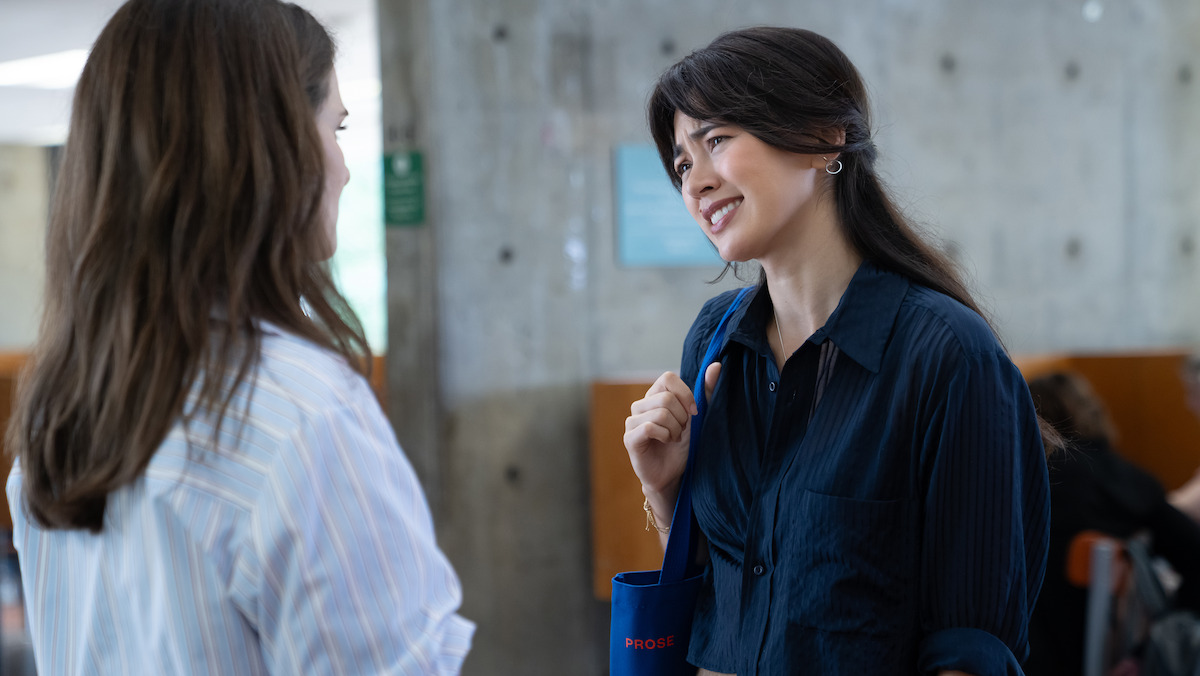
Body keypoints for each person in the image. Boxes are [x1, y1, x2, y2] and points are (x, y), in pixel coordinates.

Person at [3, 1, 473, 674]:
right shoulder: (304, 417)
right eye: (333, 128)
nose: (343, 166)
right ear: (271, 145)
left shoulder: (60, 418)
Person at [623, 27, 1051, 675]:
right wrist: (666, 490)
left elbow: (970, 649)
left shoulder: (947, 356)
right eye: (682, 163)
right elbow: (724, 596)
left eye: (716, 141)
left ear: (825, 138)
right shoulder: (716, 342)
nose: (696, 182)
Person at [1024, 370, 1200, 675]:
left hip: (1028, 655)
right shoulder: (1122, 478)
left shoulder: (1023, 482)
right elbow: (1195, 554)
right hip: (1104, 656)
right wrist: (1143, 652)